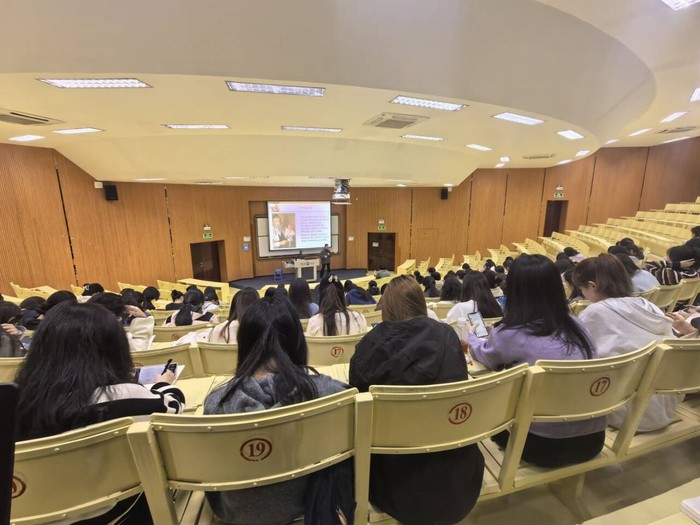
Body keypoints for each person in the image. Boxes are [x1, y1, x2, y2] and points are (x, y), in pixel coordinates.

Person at [14, 301, 184, 523]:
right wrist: (163, 383)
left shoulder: (14, 401)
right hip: (114, 514)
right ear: (114, 348)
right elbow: (173, 407)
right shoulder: (123, 396)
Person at [349, 276, 484, 525]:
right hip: (460, 481)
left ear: (386, 307)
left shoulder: (368, 346)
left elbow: (358, 406)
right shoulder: (447, 336)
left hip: (395, 488)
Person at [204, 295, 347, 525]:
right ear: (297, 340)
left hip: (235, 514)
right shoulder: (329, 393)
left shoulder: (216, 404)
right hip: (306, 505)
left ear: (245, 343)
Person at [468, 255, 606, 467]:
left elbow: (484, 355)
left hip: (543, 447)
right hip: (593, 440)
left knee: (485, 404)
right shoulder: (577, 324)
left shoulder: (510, 333)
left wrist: (472, 335)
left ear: (514, 290)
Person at [573, 254, 677, 431]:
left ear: (592, 286)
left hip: (624, 410)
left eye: (582, 288)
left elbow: (576, 358)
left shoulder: (595, 312)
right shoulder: (648, 305)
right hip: (663, 406)